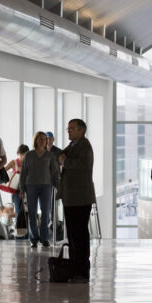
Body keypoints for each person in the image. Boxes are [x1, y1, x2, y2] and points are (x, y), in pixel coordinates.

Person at [58, 119, 95, 282]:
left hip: (80, 197)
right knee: (72, 235)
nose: (69, 131)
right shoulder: (72, 146)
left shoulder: (84, 146)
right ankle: (74, 269)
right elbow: (60, 155)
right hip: (70, 196)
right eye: (68, 128)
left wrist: (64, 161)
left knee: (79, 235)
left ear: (81, 130)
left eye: (72, 128)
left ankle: (82, 271)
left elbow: (82, 165)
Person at [20, 132, 60, 248]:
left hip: (46, 186)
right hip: (30, 186)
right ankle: (33, 239)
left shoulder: (49, 155)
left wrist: (58, 186)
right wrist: (22, 189)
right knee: (32, 213)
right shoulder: (29, 155)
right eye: (41, 139)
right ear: (36, 140)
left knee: (46, 213)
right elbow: (23, 173)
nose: (43, 141)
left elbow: (55, 172)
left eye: (45, 139)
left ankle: (44, 238)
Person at [2, 144, 29, 238]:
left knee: (28, 212)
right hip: (17, 191)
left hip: (28, 189)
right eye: (21, 154)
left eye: (25, 154)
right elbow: (3, 171)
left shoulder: (29, 163)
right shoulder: (14, 163)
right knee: (18, 212)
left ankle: (27, 235)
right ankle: (20, 235)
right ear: (18, 154)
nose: (23, 157)